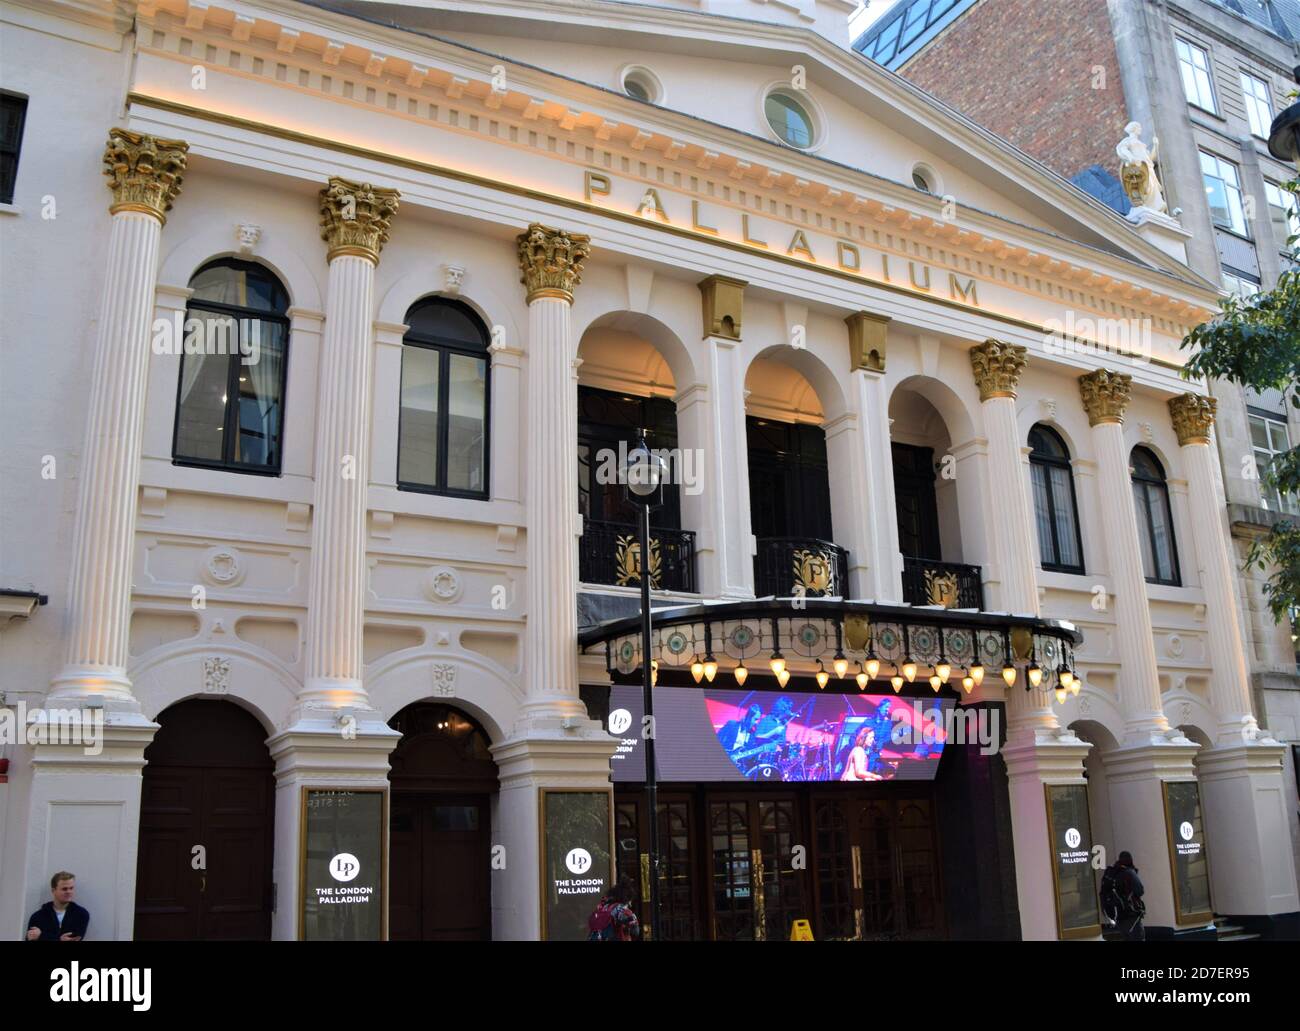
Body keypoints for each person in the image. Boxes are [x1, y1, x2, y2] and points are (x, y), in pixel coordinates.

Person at [26, 871, 89, 941]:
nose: (69, 892)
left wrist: (41, 935)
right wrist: (59, 938)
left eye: (71, 888)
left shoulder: (81, 914)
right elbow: (30, 938)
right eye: (64, 889)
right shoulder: (38, 917)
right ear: (53, 891)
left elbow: (73, 939)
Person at [1100, 851, 1146, 941]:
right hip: (1131, 916)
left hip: (1117, 918)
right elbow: (1140, 891)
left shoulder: (1110, 874)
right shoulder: (1129, 872)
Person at [587, 875, 641, 941]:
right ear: (627, 899)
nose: (631, 904)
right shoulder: (623, 910)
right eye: (630, 901)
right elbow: (636, 932)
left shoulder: (603, 907)